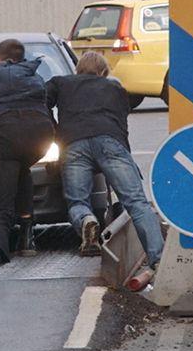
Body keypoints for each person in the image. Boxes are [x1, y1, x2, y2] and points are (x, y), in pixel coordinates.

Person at [46, 52, 165, 290]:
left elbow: (41, 101)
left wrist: (56, 128)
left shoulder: (61, 83)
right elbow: (123, 114)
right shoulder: (114, 87)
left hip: (74, 143)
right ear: (103, 72)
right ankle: (159, 261)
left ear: (77, 70)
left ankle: (87, 220)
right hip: (110, 141)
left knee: (78, 201)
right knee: (137, 203)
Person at [0, 38, 54, 274]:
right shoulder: (33, 75)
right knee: (22, 166)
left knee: (1, 206)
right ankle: (27, 237)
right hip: (40, 137)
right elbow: (46, 107)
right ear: (20, 59)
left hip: (4, 138)